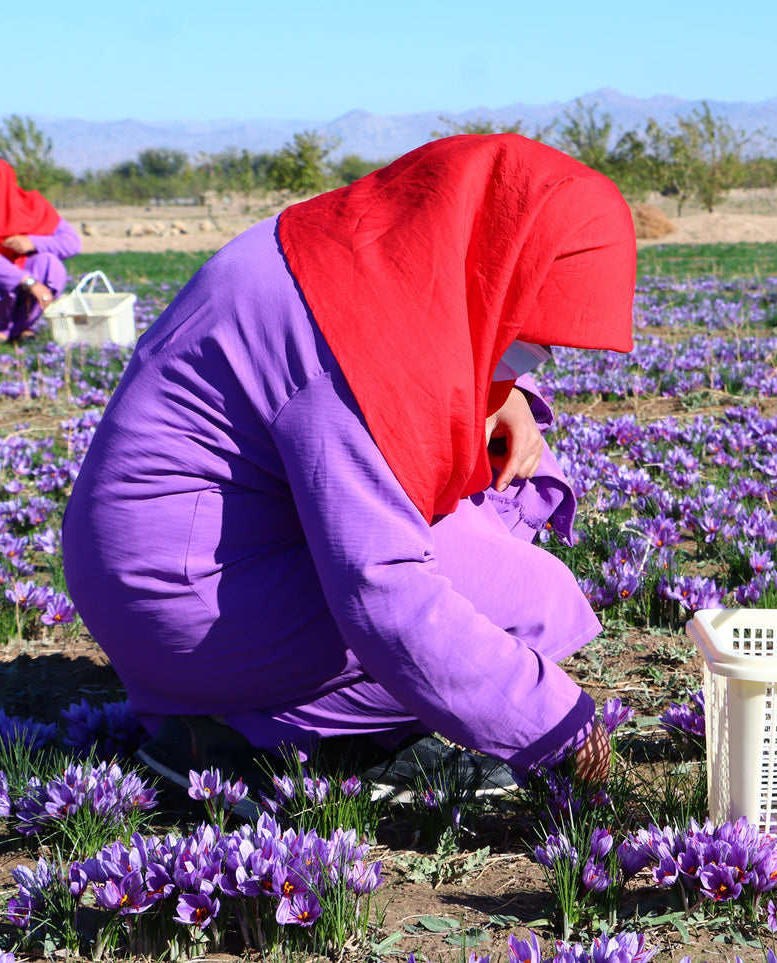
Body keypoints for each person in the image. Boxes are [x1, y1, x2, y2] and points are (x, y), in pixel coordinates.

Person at [61, 134, 632, 806]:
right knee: (530, 601)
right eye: (534, 333)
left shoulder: (353, 259)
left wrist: (501, 392)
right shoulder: (357, 343)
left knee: (496, 500)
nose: (539, 351)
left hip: (170, 562)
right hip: (188, 598)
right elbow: (382, 590)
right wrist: (555, 724)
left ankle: (273, 718)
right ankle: (252, 739)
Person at [0, 154, 81, 346]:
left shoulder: (34, 206)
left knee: (49, 264)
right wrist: (29, 282)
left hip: (26, 269)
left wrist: (32, 242)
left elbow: (72, 243)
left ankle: (23, 328)